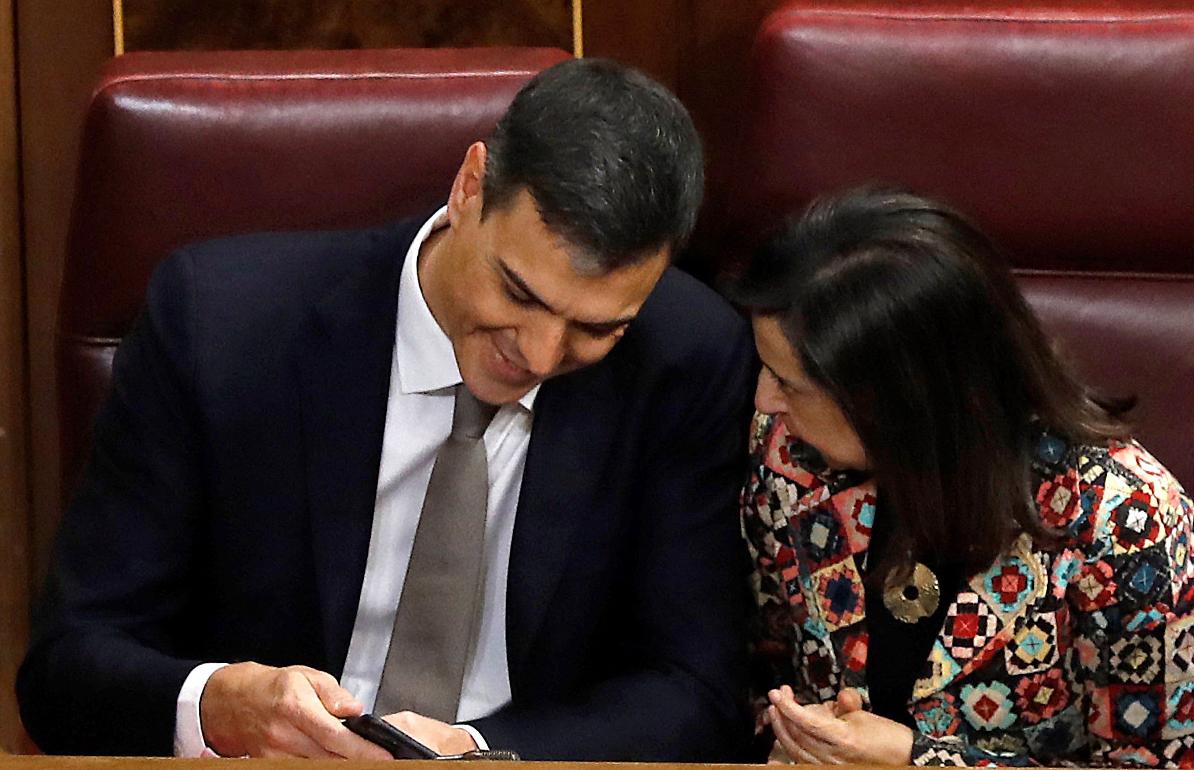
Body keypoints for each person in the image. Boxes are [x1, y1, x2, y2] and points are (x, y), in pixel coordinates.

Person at [18, 58, 755, 761]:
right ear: (470, 187)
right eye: (518, 293)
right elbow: (67, 668)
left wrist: (485, 755)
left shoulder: (685, 358)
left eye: (596, 328)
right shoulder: (219, 332)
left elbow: (696, 693)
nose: (537, 354)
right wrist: (217, 703)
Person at [731, 189, 1194, 767]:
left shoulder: (1130, 527)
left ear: (899, 401)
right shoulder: (790, 458)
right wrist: (786, 734)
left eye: (790, 383)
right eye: (765, 369)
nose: (765, 399)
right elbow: (765, 662)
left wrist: (920, 762)